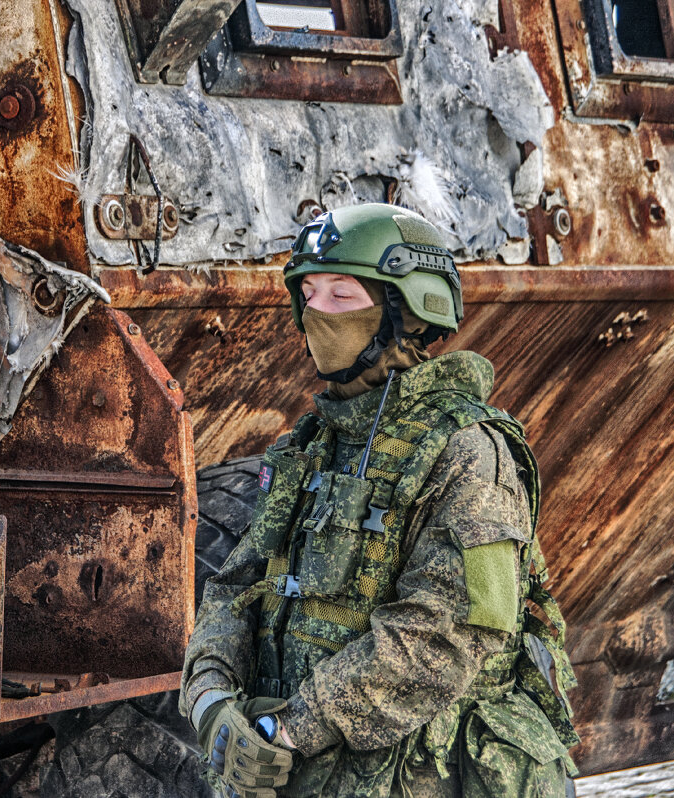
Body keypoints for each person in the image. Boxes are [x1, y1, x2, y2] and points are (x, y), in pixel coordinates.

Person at [179, 204, 579, 797]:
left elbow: (448, 632)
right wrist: (212, 701)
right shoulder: (308, 447)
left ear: (407, 312)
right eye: (309, 293)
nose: (317, 311)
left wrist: (288, 729)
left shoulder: (472, 453)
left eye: (342, 294)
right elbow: (236, 588)